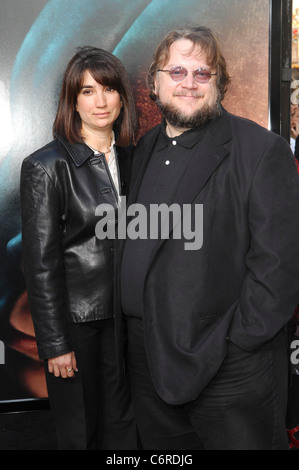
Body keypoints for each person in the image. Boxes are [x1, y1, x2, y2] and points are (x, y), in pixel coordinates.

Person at [118, 26, 299, 450]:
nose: (189, 83)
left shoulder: (260, 150)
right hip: (147, 364)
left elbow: (280, 263)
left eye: (204, 73)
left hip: (229, 367)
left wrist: (239, 340)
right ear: (154, 83)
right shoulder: (143, 149)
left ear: (220, 83)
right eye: (177, 70)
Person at [20, 46, 138, 450]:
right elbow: (40, 264)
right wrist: (55, 344)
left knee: (126, 429)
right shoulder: (47, 165)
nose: (100, 101)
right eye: (87, 91)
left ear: (123, 96)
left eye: (108, 89)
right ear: (72, 101)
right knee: (81, 432)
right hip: (78, 324)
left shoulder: (136, 159)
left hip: (129, 321)